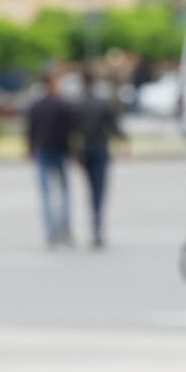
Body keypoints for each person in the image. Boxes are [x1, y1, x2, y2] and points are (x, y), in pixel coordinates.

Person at [73, 71, 125, 249]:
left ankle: (94, 227)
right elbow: (114, 127)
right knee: (99, 191)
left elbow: (72, 132)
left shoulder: (77, 104)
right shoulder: (103, 103)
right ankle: (97, 228)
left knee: (90, 190)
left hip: (84, 152)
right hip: (100, 151)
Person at [26, 70, 74, 248]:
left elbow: (30, 130)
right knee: (63, 192)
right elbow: (70, 131)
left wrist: (31, 148)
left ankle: (51, 231)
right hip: (60, 151)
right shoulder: (63, 105)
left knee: (46, 193)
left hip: (43, 150)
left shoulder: (37, 105)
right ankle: (65, 227)